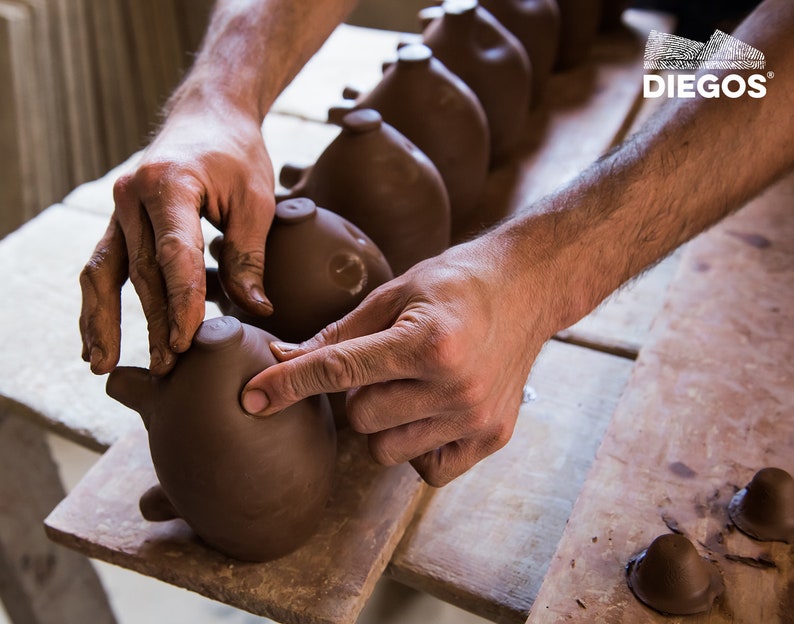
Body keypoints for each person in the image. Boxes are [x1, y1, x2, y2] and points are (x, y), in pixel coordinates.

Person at [80, 0, 794, 486]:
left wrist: (546, 272)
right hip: (633, 14)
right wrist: (219, 97)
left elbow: (769, 72)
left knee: (678, 68)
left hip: (724, 43)